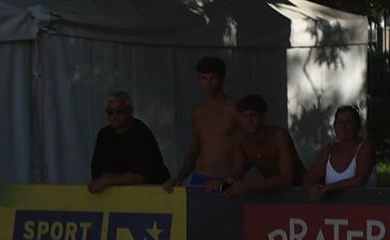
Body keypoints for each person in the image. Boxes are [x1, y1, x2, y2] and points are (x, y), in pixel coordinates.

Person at [163, 56, 239, 193]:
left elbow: (248, 149)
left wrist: (231, 178)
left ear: (222, 79)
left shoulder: (234, 109)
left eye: (213, 78)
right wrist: (180, 177)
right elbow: (194, 150)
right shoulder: (197, 111)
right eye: (204, 78)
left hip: (224, 180)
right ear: (199, 80)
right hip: (199, 178)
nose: (208, 83)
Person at [221, 94, 304, 198]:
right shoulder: (240, 138)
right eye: (245, 116)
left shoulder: (279, 136)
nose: (249, 121)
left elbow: (287, 178)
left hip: (300, 192)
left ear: (264, 117)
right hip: (273, 195)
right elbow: (237, 173)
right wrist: (222, 183)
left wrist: (246, 187)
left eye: (253, 116)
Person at [88, 91, 170, 193]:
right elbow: (97, 175)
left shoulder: (140, 133)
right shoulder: (104, 135)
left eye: (119, 111)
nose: (114, 116)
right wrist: (107, 179)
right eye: (110, 112)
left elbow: (140, 177)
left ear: (130, 111)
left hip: (153, 194)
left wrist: (106, 180)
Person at [304, 105, 375, 201]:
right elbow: (309, 177)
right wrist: (311, 189)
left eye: (348, 122)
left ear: (357, 125)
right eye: (339, 122)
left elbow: (358, 180)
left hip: (362, 208)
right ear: (334, 126)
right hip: (333, 210)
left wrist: (326, 188)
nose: (343, 126)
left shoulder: (365, 147)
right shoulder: (330, 150)